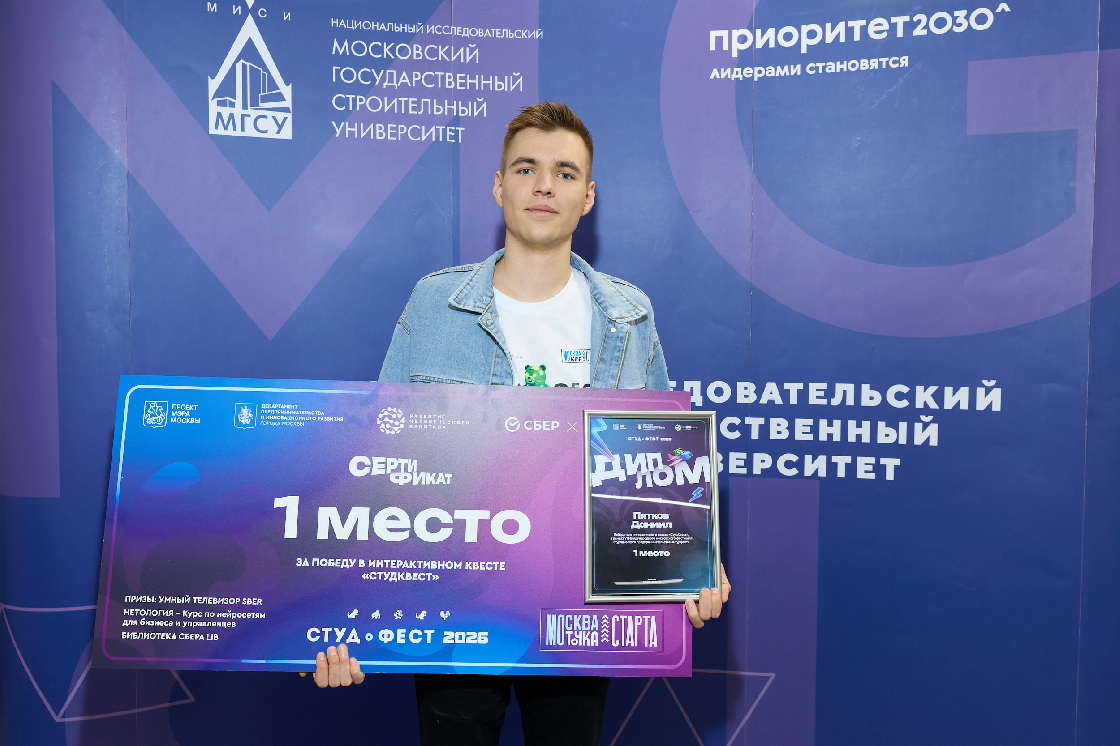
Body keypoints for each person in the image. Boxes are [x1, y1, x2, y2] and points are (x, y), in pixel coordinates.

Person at [303, 102, 731, 744]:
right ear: (499, 185)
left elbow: (661, 460)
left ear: (588, 197)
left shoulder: (628, 314)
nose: (544, 185)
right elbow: (376, 460)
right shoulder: (435, 303)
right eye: (527, 168)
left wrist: (697, 564)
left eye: (565, 172)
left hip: (580, 604)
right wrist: (336, 620)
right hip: (454, 600)